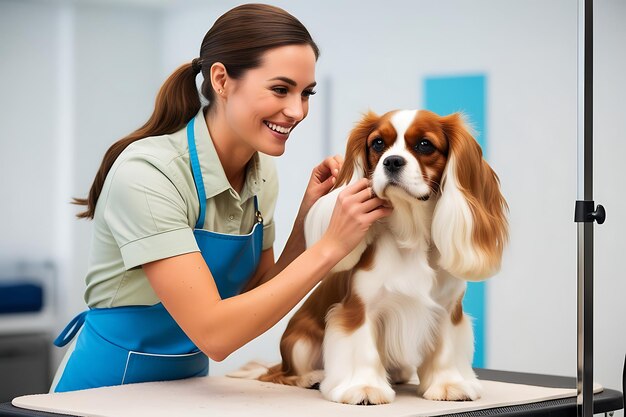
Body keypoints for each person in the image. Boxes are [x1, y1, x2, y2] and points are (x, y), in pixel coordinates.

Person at [50, 3, 392, 393]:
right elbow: (215, 335)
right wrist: (331, 246)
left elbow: (255, 292)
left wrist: (307, 221)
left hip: (188, 388)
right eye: (280, 89)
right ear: (221, 80)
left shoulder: (262, 173)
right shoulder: (148, 174)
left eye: (306, 93)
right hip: (103, 392)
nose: (297, 111)